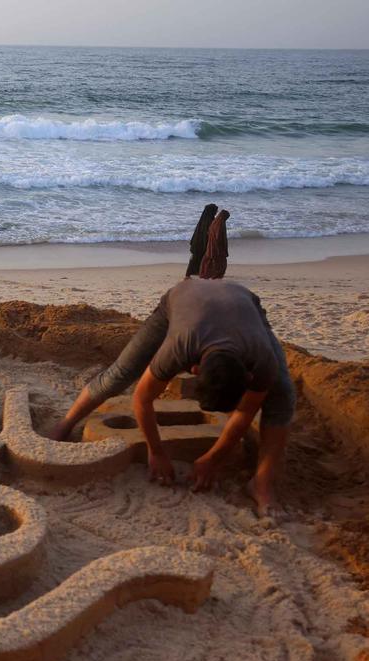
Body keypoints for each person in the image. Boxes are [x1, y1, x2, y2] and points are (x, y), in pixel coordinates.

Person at [50, 278, 294, 517]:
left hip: (244, 304)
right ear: (194, 370)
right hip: (182, 299)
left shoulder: (262, 360)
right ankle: (66, 423)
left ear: (249, 377)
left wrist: (213, 458)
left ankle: (261, 484)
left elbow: (245, 412)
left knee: (282, 396)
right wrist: (155, 451)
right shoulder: (179, 348)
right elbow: (142, 398)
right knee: (121, 373)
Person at [185, 203, 217, 278]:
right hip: (202, 242)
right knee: (199, 257)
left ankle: (193, 273)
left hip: (198, 242)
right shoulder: (210, 220)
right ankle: (190, 274)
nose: (216, 212)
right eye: (215, 211)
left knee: (196, 257)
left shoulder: (203, 219)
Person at [199, 209, 231, 279]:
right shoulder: (220, 224)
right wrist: (220, 248)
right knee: (221, 262)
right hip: (217, 247)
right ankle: (216, 276)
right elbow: (218, 236)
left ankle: (206, 274)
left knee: (209, 261)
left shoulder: (214, 223)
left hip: (210, 246)